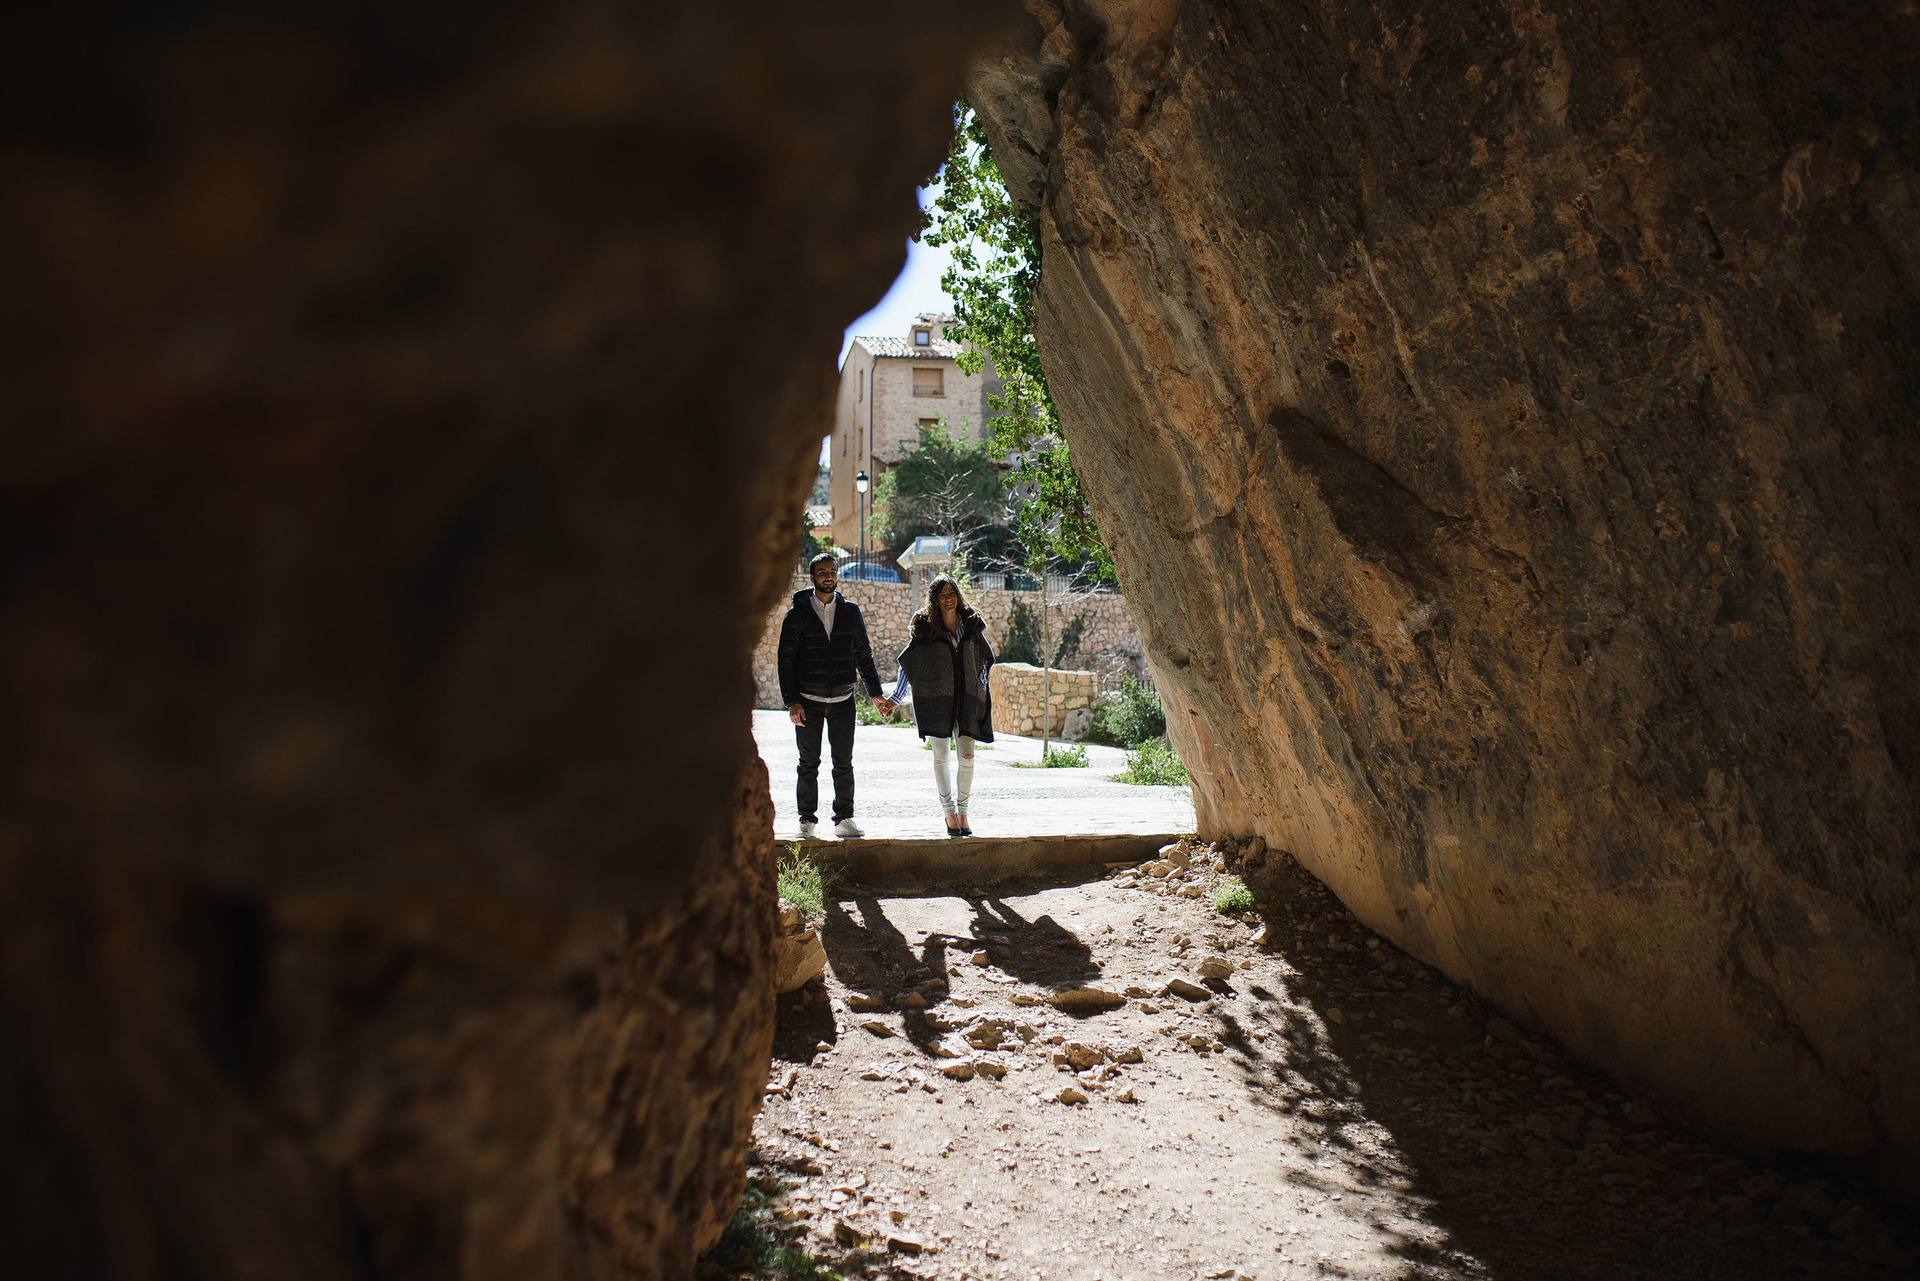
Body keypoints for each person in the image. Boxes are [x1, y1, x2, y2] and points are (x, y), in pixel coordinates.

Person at [776, 552, 887, 838]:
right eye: (823, 572)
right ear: (812, 577)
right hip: (807, 702)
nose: (829, 576)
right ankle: (806, 821)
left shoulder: (850, 612)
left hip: (843, 702)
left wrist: (875, 694)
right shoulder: (797, 615)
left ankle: (844, 819)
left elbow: (863, 654)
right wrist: (792, 701)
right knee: (808, 764)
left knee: (843, 763)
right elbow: (785, 660)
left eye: (833, 571)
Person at [887, 574, 995, 836]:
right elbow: (909, 663)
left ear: (958, 595)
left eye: (952, 593)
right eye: (942, 595)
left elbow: (985, 659)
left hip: (967, 702)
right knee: (941, 757)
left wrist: (980, 687)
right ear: (935, 600)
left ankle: (963, 812)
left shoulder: (971, 625)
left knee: (967, 757)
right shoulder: (925, 629)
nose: (948, 599)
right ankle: (949, 813)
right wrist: (896, 698)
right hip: (936, 700)